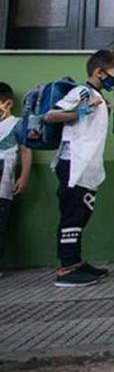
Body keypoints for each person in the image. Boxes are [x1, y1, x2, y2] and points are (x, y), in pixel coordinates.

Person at [43, 50, 114, 287]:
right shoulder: (82, 92)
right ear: (99, 72)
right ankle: (67, 268)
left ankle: (75, 262)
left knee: (81, 213)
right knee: (72, 214)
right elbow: (51, 115)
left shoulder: (96, 96)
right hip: (74, 163)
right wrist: (83, 110)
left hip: (87, 166)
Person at [0, 83, 33, 266]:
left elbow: (26, 150)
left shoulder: (17, 124)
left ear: (8, 103)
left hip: (4, 177)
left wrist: (24, 176)